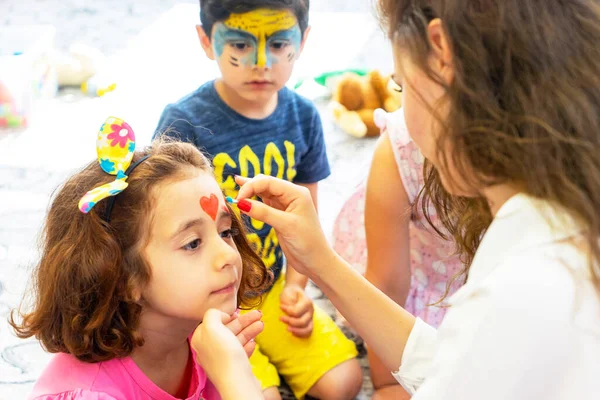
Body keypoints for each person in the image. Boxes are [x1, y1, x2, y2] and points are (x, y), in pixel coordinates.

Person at [194, 0, 600, 398]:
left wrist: (232, 377)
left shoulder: (518, 290)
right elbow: (452, 365)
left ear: (443, 55)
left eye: (401, 85)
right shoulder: (549, 234)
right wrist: (321, 263)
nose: (398, 119)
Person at [153, 1, 362, 399]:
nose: (261, 63)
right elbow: (160, 231)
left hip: (271, 286)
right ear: (205, 40)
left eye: (280, 44)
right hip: (208, 301)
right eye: (241, 45)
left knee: (344, 383)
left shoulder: (303, 117)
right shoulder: (181, 121)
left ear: (303, 42)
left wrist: (297, 289)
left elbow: (306, 220)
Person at [9, 118, 271, 400]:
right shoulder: (89, 395)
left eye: (225, 232)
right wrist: (234, 376)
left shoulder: (208, 343)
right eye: (193, 243)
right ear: (122, 275)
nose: (229, 254)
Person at [331, 108, 470, 399]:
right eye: (397, 85)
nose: (403, 104)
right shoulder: (401, 145)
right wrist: (388, 383)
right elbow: (385, 283)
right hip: (419, 267)